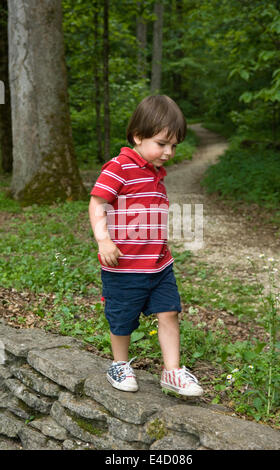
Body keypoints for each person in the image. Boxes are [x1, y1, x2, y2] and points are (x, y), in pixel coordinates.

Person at [89, 95, 203, 397]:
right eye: (162, 143)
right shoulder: (119, 167)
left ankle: (172, 371)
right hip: (124, 265)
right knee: (122, 317)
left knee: (169, 313)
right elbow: (98, 201)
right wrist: (104, 239)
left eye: (174, 146)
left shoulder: (156, 174)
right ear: (138, 137)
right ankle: (120, 363)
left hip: (159, 265)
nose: (168, 152)